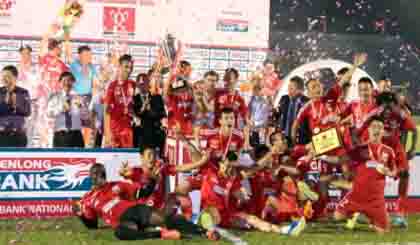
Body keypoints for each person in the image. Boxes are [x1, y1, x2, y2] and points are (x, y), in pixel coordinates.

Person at [74, 163, 217, 241]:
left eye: (101, 175)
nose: (99, 179)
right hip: (121, 221)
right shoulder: (88, 199)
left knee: (165, 219)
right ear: (91, 177)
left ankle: (205, 232)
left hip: (134, 210)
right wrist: (80, 215)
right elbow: (92, 225)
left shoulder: (116, 185)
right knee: (120, 233)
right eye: (96, 176)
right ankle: (161, 235)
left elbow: (141, 192)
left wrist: (153, 181)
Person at [320, 116, 397, 233]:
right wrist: (323, 156)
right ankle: (360, 217)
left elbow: (394, 172)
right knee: (336, 217)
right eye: (374, 127)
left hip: (375, 200)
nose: (376, 130)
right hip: (356, 196)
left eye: (379, 127)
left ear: (383, 132)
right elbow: (341, 160)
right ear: (369, 130)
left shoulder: (389, 151)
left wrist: (388, 172)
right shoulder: (360, 149)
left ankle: (365, 219)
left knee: (384, 231)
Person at [120, 146, 209, 218]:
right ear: (142, 157)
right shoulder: (137, 171)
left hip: (160, 209)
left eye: (154, 155)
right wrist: (122, 172)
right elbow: (125, 174)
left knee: (177, 196)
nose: (152, 158)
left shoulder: (162, 168)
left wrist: (201, 162)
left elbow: (180, 168)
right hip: (144, 210)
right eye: (149, 155)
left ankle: (189, 219)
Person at [103, 54, 136, 148]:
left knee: (126, 161)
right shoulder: (112, 86)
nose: (129, 70)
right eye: (126, 67)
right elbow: (106, 111)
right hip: (114, 131)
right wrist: (107, 133)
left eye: (131, 67)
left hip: (127, 131)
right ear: (119, 66)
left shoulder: (133, 85)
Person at [69, 45, 99, 145]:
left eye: (90, 55)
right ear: (80, 55)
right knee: (76, 125)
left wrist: (93, 98)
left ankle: (85, 146)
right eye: (86, 55)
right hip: (76, 98)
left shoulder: (92, 67)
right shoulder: (74, 65)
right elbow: (70, 83)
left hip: (88, 98)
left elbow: (95, 83)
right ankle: (75, 145)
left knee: (88, 125)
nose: (89, 57)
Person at [47, 72, 84, 148]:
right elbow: (49, 113)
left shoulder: (79, 97)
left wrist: (81, 107)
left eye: (69, 80)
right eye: (64, 81)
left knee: (78, 159)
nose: (67, 83)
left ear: (73, 83)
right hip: (60, 135)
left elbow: (86, 116)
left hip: (76, 135)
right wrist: (61, 109)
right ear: (60, 82)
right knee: (60, 159)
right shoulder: (54, 97)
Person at [132, 73, 166, 154]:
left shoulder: (157, 97)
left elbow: (162, 114)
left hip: (155, 134)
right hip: (140, 135)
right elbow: (135, 114)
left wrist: (150, 109)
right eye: (140, 84)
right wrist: (143, 108)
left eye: (144, 83)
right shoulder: (134, 99)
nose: (142, 86)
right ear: (137, 84)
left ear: (149, 83)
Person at [0, 65, 31, 147]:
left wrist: (16, 105)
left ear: (15, 77)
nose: (4, 79)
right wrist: (5, 104)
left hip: (19, 136)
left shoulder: (23, 92)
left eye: (7, 76)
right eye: (2, 76)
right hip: (2, 135)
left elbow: (27, 112)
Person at [17, 45, 42, 147]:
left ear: (31, 55)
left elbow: (37, 82)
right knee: (21, 127)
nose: (25, 56)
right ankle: (20, 148)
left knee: (31, 127)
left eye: (27, 53)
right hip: (19, 102)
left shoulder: (36, 67)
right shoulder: (16, 69)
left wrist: (26, 72)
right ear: (20, 55)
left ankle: (29, 148)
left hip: (32, 101)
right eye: (23, 54)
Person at [276, 76, 309, 145]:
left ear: (300, 90)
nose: (289, 90)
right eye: (288, 87)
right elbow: (277, 117)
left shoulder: (307, 102)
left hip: (301, 140)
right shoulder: (284, 99)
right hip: (284, 139)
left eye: (291, 88)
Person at [248, 79, 272, 146]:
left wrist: (256, 123)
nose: (255, 91)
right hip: (251, 127)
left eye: (257, 90)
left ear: (260, 90)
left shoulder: (264, 101)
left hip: (259, 127)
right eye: (254, 90)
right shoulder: (250, 100)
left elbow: (265, 116)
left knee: (259, 144)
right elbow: (248, 112)